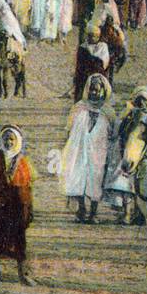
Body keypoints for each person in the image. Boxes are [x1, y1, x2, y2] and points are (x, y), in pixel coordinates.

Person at [0, 124, 36, 285]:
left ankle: (22, 274)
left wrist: (27, 208)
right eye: (6, 139)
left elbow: (27, 186)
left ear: (17, 141)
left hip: (15, 207)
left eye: (12, 139)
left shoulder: (23, 162)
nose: (9, 142)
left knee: (19, 240)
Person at [61, 73, 115, 223]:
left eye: (97, 90)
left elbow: (114, 133)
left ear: (104, 91)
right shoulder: (79, 107)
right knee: (78, 176)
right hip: (79, 149)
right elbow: (69, 129)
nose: (94, 93)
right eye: (91, 89)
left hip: (99, 152)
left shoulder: (108, 111)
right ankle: (81, 208)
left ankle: (93, 212)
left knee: (96, 180)